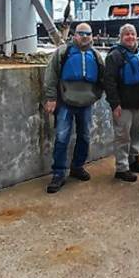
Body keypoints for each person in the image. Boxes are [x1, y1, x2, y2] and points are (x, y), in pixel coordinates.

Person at [43, 23, 106, 193]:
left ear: (92, 36)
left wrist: (96, 95)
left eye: (88, 33)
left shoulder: (96, 55)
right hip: (65, 102)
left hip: (86, 104)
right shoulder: (63, 52)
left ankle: (77, 166)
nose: (85, 36)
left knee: (84, 136)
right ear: (74, 35)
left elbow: (103, 78)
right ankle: (58, 173)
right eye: (81, 33)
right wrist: (51, 98)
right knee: (62, 137)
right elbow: (51, 76)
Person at [104, 24, 139, 182]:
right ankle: (122, 168)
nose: (130, 37)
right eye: (126, 34)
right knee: (122, 137)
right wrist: (115, 104)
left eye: (132, 34)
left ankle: (134, 160)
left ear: (136, 36)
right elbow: (109, 82)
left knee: (137, 134)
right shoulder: (114, 56)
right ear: (121, 37)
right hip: (123, 105)